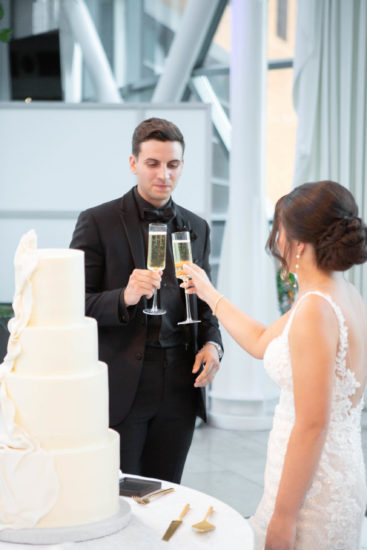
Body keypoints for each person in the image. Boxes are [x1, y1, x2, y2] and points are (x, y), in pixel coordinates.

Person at [182, 180, 367, 549]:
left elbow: (313, 424)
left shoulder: (316, 309)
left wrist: (284, 517)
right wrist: (209, 293)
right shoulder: (340, 292)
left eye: (279, 230)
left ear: (297, 243)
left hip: (312, 492)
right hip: (330, 470)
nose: (276, 241)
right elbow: (262, 340)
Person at [70, 117, 223, 483]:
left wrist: (214, 344)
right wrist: (124, 296)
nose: (163, 174)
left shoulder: (197, 227)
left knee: (167, 490)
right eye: (153, 163)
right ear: (133, 163)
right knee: (120, 493)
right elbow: (74, 304)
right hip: (123, 384)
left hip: (181, 385)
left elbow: (205, 303)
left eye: (173, 165)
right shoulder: (97, 221)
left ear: (182, 166)